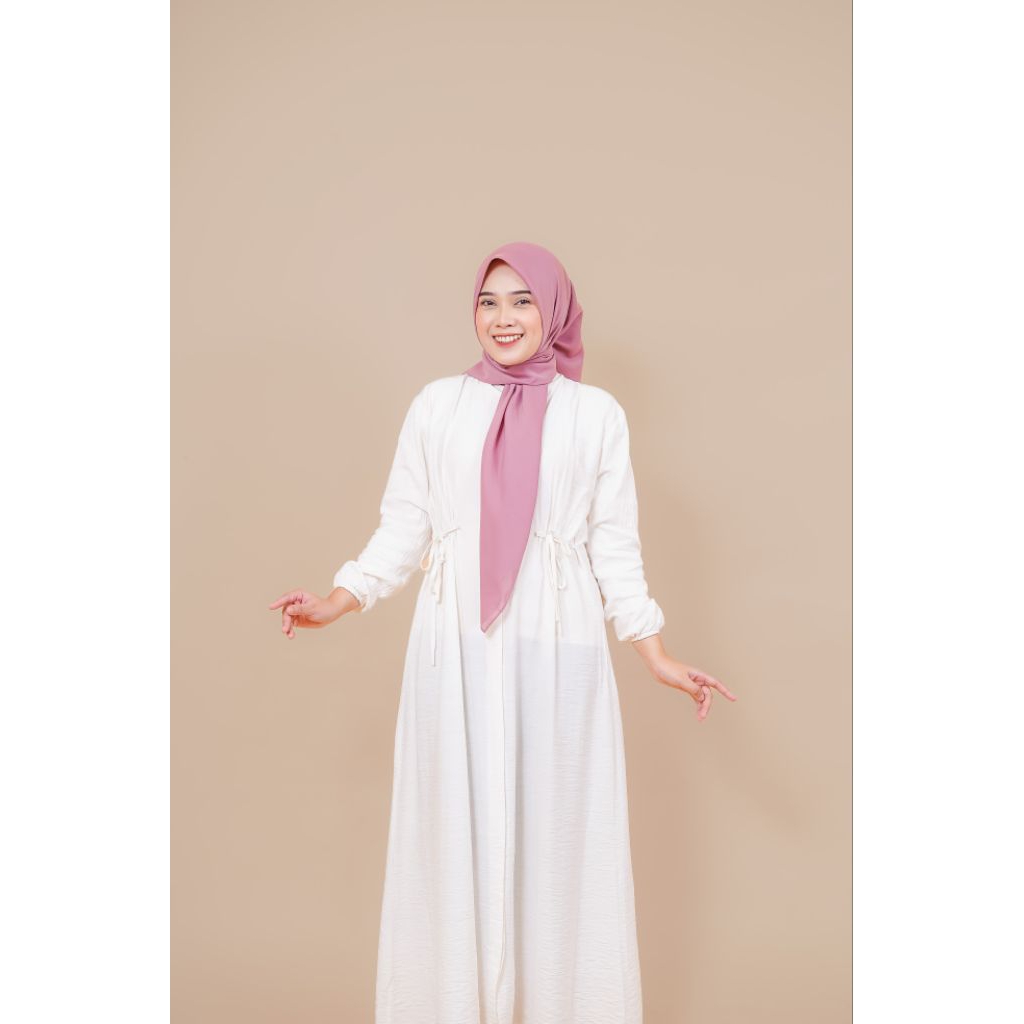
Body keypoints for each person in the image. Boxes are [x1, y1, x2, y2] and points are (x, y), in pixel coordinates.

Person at [269, 241, 737, 1024]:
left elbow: (613, 544)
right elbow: (405, 526)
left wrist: (654, 651)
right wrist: (337, 599)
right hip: (455, 646)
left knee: (558, 839)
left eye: (523, 300)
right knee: (452, 835)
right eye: (488, 302)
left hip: (559, 644)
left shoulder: (595, 415)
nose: (503, 317)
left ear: (553, 310)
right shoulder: (437, 406)